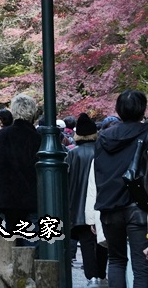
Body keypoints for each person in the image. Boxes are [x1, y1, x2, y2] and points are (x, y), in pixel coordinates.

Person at [94, 89, 148, 287]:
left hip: (109, 205)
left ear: (118, 110)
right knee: (141, 266)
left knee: (116, 260)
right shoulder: (145, 133)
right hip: (139, 205)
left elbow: (99, 171)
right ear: (143, 109)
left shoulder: (103, 137)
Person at [0, 94, 40, 239]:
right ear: (33, 112)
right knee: (33, 241)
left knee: (13, 241)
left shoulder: (1, 136)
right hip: (32, 200)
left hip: (8, 200)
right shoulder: (37, 138)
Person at [67, 113, 107, 285]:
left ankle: (91, 277)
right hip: (99, 204)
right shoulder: (101, 151)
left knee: (86, 243)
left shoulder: (72, 154)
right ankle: (101, 274)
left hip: (78, 206)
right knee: (101, 241)